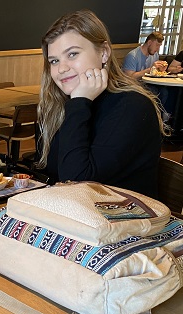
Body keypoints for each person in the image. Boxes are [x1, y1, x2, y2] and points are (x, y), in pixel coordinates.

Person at [37, 10, 163, 198]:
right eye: (54, 61)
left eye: (72, 54)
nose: (61, 68)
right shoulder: (57, 105)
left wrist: (80, 102)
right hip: (72, 215)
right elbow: (51, 173)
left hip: (123, 221)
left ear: (104, 53)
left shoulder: (133, 107)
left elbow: (76, 184)